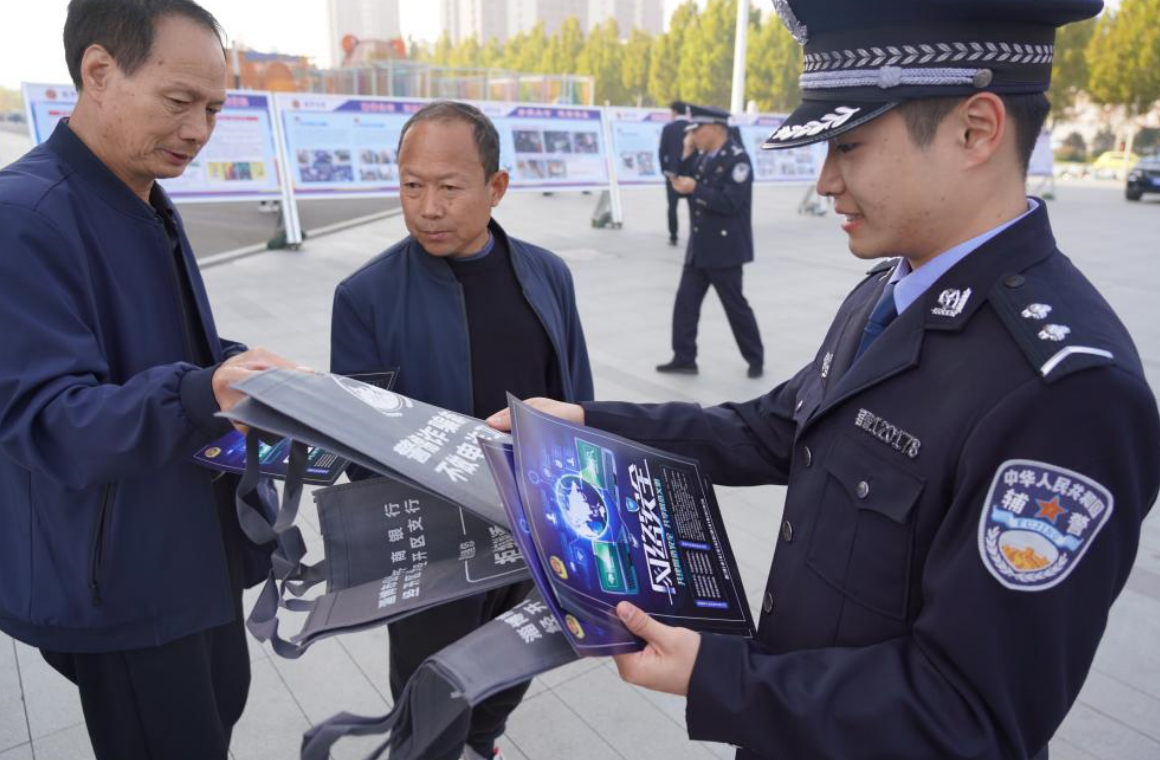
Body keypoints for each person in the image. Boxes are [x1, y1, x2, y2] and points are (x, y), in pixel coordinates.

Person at [488, 1, 1160, 758]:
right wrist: (589, 422)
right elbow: (773, 428)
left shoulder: (1069, 394)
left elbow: (971, 712)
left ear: (975, 131)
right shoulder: (888, 290)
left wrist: (722, 677)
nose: (826, 181)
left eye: (849, 145)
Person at [0, 1, 303, 757]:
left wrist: (237, 368)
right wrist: (202, 392)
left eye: (213, 108)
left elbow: (147, 348)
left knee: (219, 708)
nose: (198, 130)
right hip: (125, 580)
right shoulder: (24, 216)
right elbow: (48, 418)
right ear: (99, 71)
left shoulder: (138, 194)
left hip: (189, 547)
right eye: (178, 101)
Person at [330, 100, 594, 760]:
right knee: (430, 695)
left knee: (516, 661)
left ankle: (483, 740)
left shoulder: (548, 275)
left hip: (532, 524)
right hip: (436, 546)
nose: (428, 207)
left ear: (496, 186)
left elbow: (575, 396)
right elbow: (355, 445)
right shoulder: (365, 297)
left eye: (449, 187)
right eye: (411, 185)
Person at [657, 103, 764, 378]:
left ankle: (755, 358)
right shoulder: (703, 156)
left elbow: (729, 203)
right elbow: (681, 180)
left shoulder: (738, 160)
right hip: (699, 247)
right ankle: (684, 358)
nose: (693, 135)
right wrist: (685, 152)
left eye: (697, 129)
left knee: (735, 307)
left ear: (716, 128)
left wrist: (696, 188)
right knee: (685, 304)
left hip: (724, 249)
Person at [659, 100, 689, 245]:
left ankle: (673, 236)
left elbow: (662, 152)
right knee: (694, 205)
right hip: (691, 174)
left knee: (672, 206)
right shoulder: (692, 128)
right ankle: (696, 234)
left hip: (673, 174)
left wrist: (664, 169)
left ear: (675, 112)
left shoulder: (668, 128)